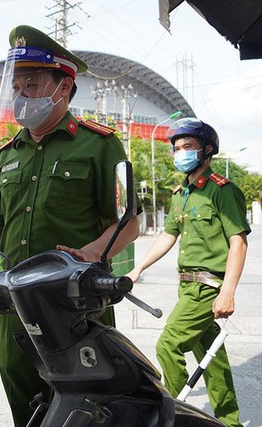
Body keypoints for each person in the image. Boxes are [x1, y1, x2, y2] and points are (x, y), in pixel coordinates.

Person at [0, 25, 139, 427]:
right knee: (23, 400)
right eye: (16, 87)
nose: (20, 96)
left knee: (89, 409)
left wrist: (89, 254)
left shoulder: (99, 145)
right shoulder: (5, 154)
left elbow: (127, 222)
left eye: (31, 84)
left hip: (77, 303)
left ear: (63, 87)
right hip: (16, 303)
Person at [127, 118, 249, 427]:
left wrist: (227, 291)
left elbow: (238, 242)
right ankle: (230, 422)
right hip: (187, 287)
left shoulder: (222, 191)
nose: (180, 153)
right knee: (214, 360)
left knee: (168, 346)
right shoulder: (180, 194)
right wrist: (137, 269)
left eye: (188, 147)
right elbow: (167, 237)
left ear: (207, 151)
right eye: (177, 148)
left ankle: (177, 417)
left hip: (207, 287)